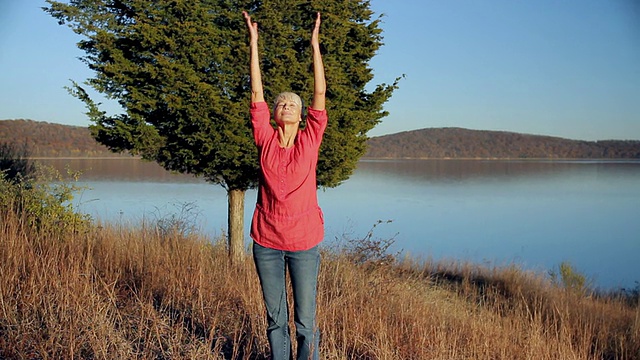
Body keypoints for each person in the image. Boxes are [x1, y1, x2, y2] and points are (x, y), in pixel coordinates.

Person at [243, 10, 326, 360]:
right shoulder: (264, 138)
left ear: (303, 113)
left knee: (305, 322)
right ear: (274, 113)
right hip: (267, 242)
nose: (287, 104)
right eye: (282, 103)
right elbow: (257, 90)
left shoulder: (311, 139)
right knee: (276, 320)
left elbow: (320, 91)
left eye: (294, 103)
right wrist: (254, 44)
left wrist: (314, 45)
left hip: (304, 242)